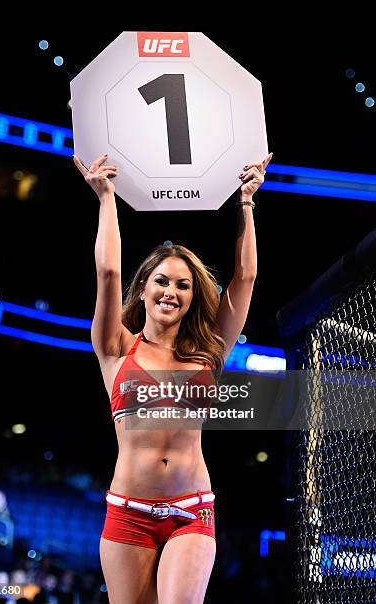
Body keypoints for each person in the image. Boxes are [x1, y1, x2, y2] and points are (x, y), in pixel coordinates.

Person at [73, 151, 273, 603]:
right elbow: (107, 272)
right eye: (162, 280)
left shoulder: (209, 352)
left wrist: (246, 202)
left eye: (183, 285)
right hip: (127, 514)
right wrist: (106, 197)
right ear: (144, 288)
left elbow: (245, 278)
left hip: (192, 511)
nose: (172, 291)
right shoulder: (115, 348)